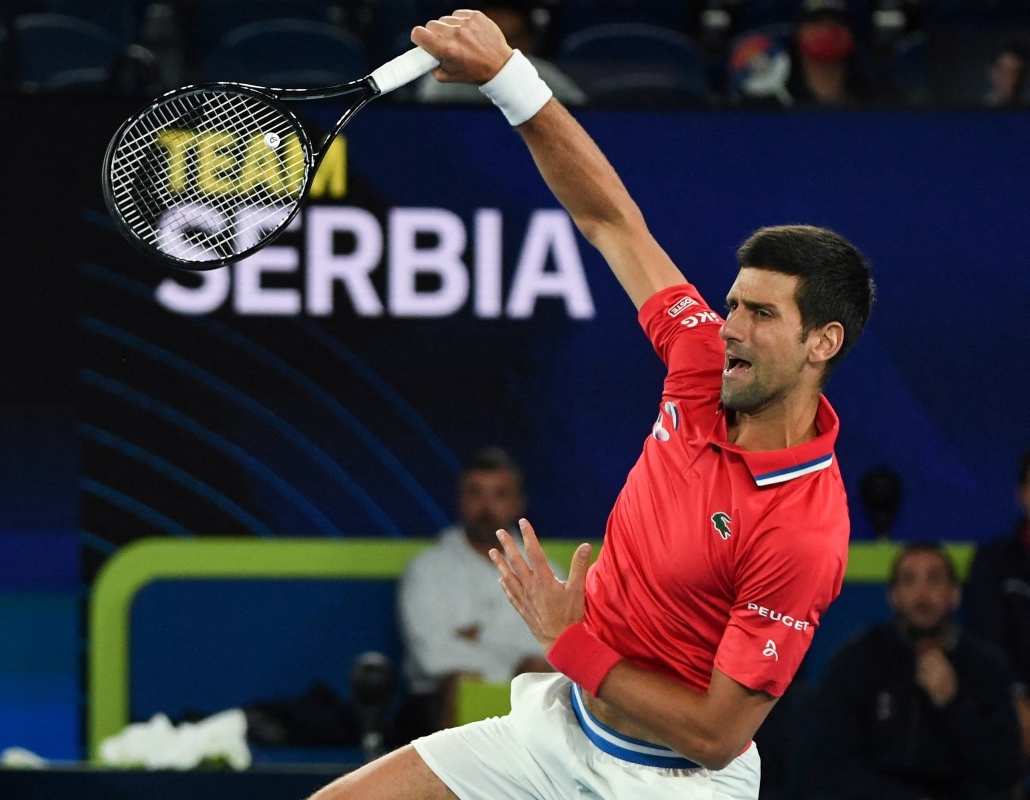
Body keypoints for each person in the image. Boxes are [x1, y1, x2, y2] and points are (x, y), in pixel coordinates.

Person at [311, 8, 876, 799]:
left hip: (671, 782)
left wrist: (569, 640)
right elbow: (610, 219)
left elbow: (717, 736)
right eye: (734, 304)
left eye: (761, 315)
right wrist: (510, 78)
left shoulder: (804, 529)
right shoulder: (701, 361)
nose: (731, 329)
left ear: (823, 343)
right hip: (554, 729)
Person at [810, 541, 1024, 800]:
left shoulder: (986, 667)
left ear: (954, 594)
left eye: (934, 580)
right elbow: (832, 766)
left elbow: (1005, 772)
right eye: (909, 581)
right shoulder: (858, 661)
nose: (922, 594)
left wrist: (954, 704)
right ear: (894, 596)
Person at [391, 446, 557, 747]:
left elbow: (555, 648)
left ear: (519, 504)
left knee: (538, 674)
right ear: (460, 500)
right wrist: (511, 658)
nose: (486, 506)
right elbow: (432, 657)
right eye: (475, 493)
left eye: (499, 494)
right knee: (460, 681)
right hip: (436, 703)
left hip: (526, 693)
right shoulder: (428, 568)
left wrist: (480, 634)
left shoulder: (544, 571)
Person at [965, 449, 1030, 760]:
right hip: (1007, 708)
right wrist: (1015, 698)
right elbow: (989, 645)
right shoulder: (993, 563)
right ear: (1022, 494)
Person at [414, 1, 586, 107]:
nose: (497, 47)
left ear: (527, 42)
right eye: (490, 37)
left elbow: (579, 119)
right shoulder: (446, 80)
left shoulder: (546, 78)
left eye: (510, 39)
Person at [986, 42, 1028, 109]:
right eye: (1005, 71)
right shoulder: (973, 112)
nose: (1011, 78)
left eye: (1017, 72)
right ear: (993, 73)